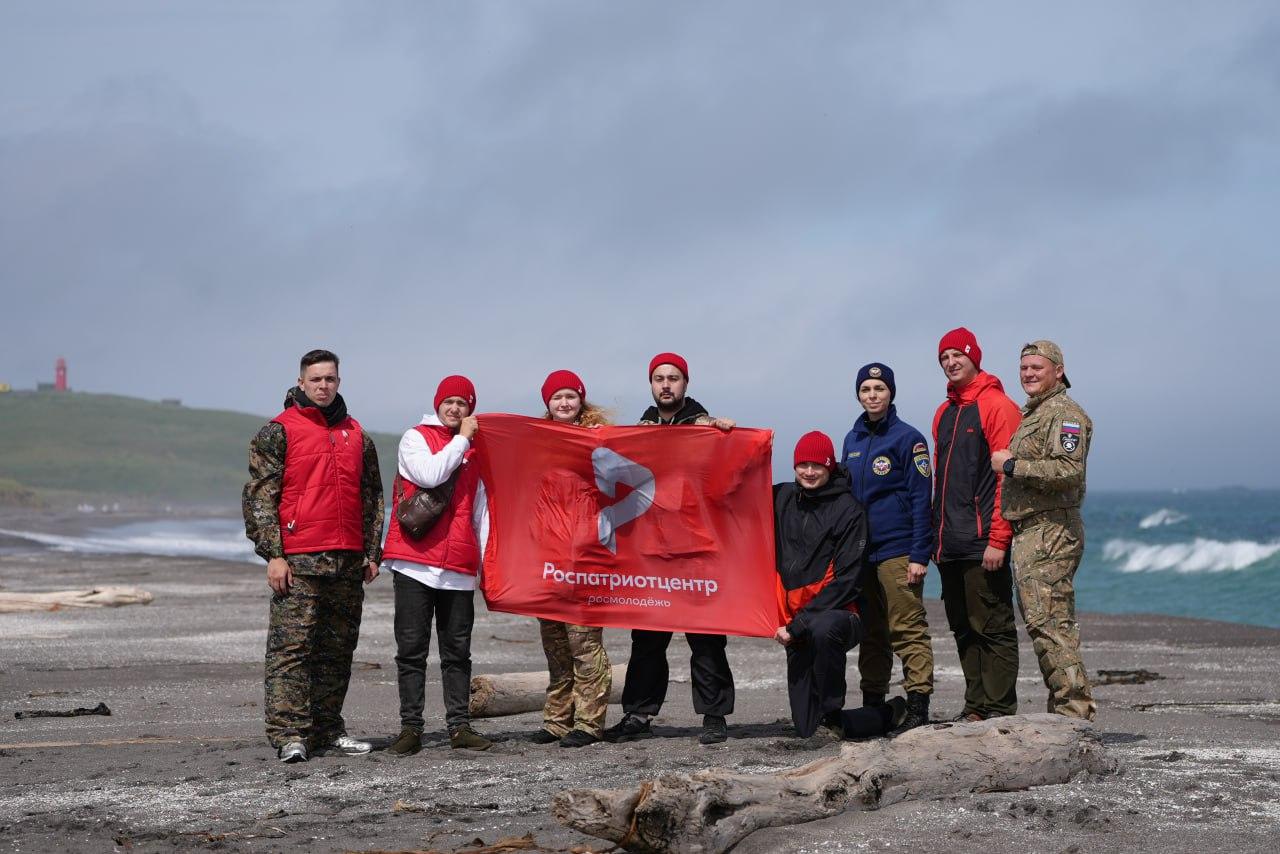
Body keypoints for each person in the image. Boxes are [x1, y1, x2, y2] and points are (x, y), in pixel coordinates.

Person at [242, 349, 384, 763]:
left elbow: (372, 497)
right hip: (299, 560)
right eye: (316, 379)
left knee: (337, 650)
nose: (324, 386)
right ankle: (290, 735)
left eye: (331, 379)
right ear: (301, 382)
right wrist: (273, 554)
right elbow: (259, 499)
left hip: (347, 561)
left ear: (339, 382)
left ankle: (327, 729)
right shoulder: (277, 432)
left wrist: (371, 552)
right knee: (292, 650)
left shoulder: (357, 434)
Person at [603, 352, 737, 746]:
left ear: (685, 384)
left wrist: (725, 433)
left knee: (706, 635)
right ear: (651, 384)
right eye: (659, 378)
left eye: (673, 378)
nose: (666, 384)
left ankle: (714, 715)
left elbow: (728, 472)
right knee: (646, 636)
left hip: (696, 546)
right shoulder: (640, 431)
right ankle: (638, 714)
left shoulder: (705, 426)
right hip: (652, 547)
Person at [382, 375, 492, 754]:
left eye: (463, 403)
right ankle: (410, 728)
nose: (455, 408)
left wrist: (484, 564)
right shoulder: (415, 438)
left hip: (458, 567)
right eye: (449, 402)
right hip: (414, 562)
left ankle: (459, 726)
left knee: (457, 651)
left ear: (471, 409)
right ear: (438, 404)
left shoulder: (478, 453)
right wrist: (462, 439)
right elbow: (430, 475)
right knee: (412, 649)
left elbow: (482, 513)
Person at [775, 431, 907, 739]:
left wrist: (799, 624)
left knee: (823, 629)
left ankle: (831, 710)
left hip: (840, 616)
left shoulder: (849, 510)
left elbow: (848, 581)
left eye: (817, 465)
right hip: (795, 619)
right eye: (802, 465)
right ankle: (886, 714)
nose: (809, 472)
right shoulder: (781, 498)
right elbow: (736, 493)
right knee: (808, 728)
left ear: (830, 466)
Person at [991, 340, 1096, 720]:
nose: (1029, 374)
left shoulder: (1065, 414)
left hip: (1050, 530)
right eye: (1024, 368)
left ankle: (1074, 712)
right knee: (1044, 623)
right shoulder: (1037, 414)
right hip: (1032, 531)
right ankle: (1064, 708)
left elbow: (1068, 470)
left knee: (1050, 623)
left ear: (1058, 370)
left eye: (1037, 367)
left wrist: (1012, 466)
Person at [931, 327, 1022, 721]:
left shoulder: (997, 405)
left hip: (983, 539)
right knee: (963, 628)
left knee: (994, 628)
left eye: (957, 356)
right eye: (944, 358)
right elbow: (940, 480)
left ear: (974, 357)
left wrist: (999, 539)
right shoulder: (944, 412)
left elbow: (1009, 479)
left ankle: (1000, 712)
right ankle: (976, 708)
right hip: (948, 543)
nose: (951, 363)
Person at [842, 363, 936, 731]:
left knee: (907, 628)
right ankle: (873, 700)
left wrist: (919, 555)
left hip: (899, 553)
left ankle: (918, 705)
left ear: (891, 393)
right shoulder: (852, 440)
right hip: (864, 553)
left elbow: (919, 499)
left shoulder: (908, 439)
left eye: (879, 388)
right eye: (866, 389)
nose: (873, 395)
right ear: (859, 395)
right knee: (872, 632)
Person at [526, 370, 614, 748]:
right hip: (547, 555)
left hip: (585, 555)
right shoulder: (536, 442)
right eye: (556, 397)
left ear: (581, 400)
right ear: (547, 403)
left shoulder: (598, 441)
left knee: (584, 642)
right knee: (555, 643)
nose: (563, 403)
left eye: (570, 396)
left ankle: (589, 723)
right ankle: (557, 720)